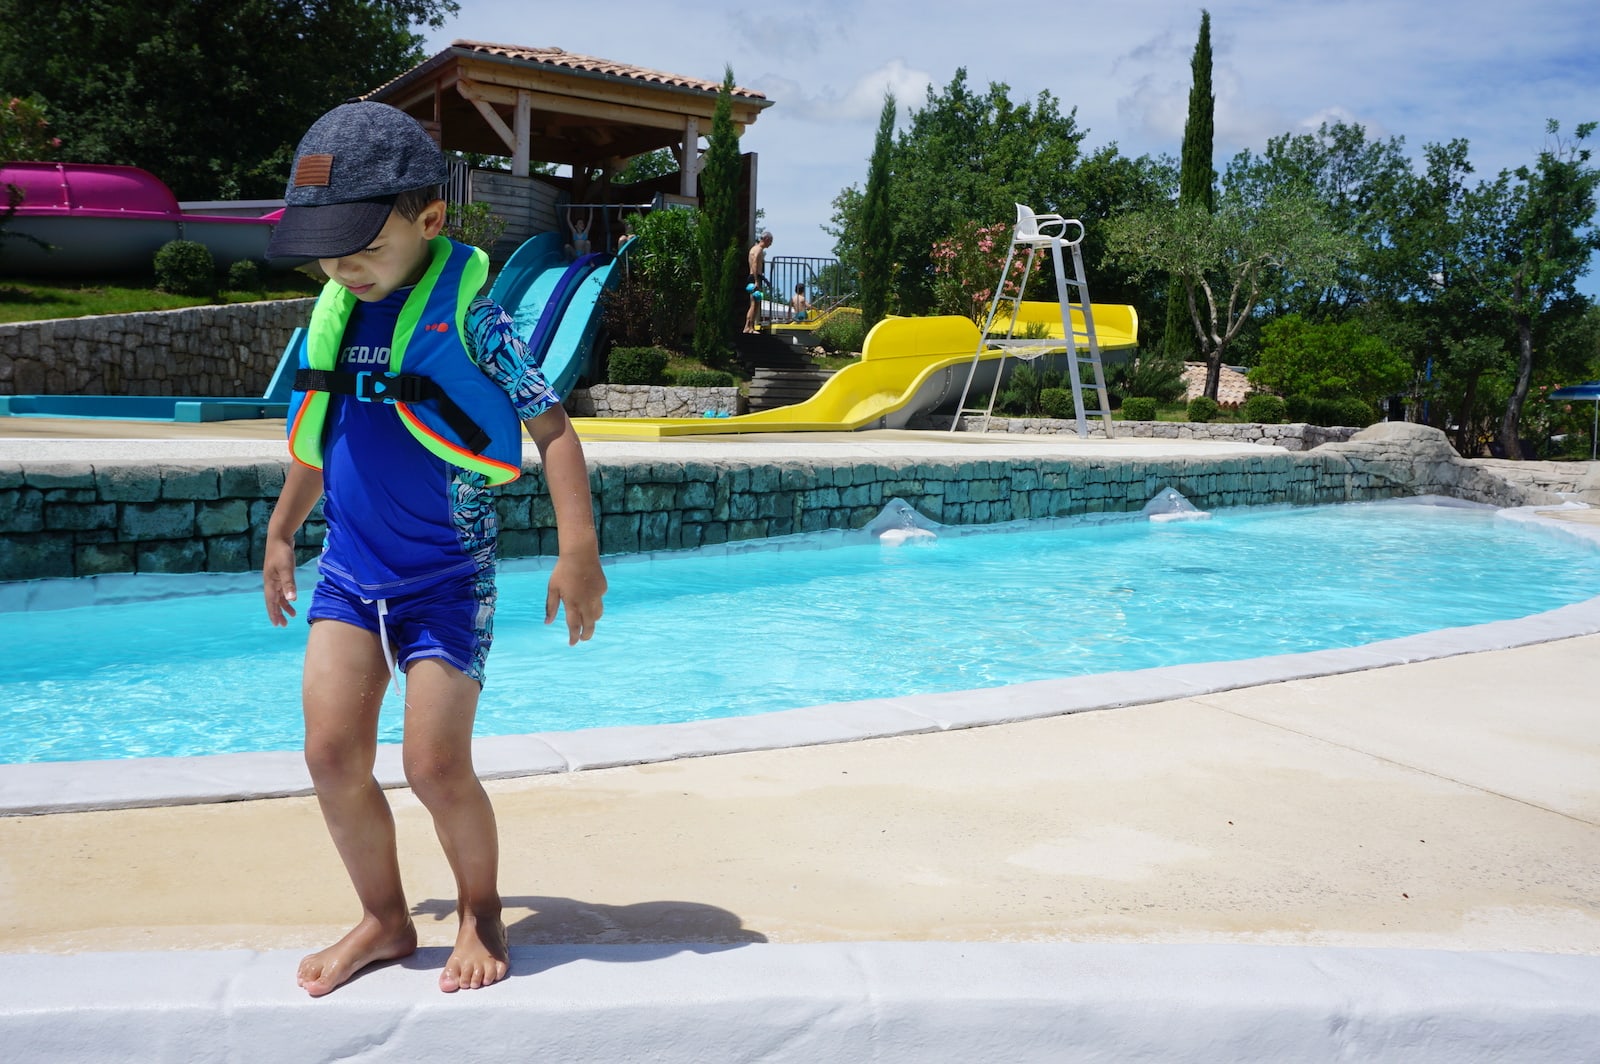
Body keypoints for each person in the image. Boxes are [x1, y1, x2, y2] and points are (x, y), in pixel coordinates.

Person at [260, 102, 607, 998]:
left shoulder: (479, 323)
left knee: (433, 766)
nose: (344, 267)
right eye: (329, 251)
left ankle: (480, 908)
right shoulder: (338, 314)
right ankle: (382, 918)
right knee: (331, 755)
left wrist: (579, 553)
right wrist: (281, 529)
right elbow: (316, 437)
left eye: (363, 246)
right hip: (349, 576)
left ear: (431, 221)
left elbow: (555, 431)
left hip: (448, 582)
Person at [744, 230, 773, 333]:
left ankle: (748, 326)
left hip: (754, 277)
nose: (771, 244)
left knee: (756, 303)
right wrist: (757, 280)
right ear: (766, 239)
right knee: (754, 303)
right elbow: (755, 263)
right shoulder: (759, 250)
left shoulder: (754, 249)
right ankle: (749, 327)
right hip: (754, 278)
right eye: (770, 241)